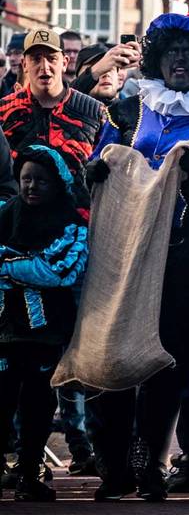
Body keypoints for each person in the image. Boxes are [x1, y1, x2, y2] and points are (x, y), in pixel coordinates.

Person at [83, 14, 189, 502]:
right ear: (158, 59)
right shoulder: (130, 110)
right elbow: (100, 161)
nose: (180, 60)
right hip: (122, 251)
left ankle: (146, 463)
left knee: (165, 363)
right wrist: (93, 171)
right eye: (172, 52)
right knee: (112, 353)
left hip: (180, 255)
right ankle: (114, 467)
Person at [0, 146, 89, 502]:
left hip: (46, 333)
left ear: (56, 184)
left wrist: (7, 264)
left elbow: (58, 270)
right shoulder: (7, 215)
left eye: (40, 180)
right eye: (26, 179)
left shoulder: (71, 223)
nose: (32, 187)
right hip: (5, 332)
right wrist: (22, 264)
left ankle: (29, 471)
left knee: (38, 404)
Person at [0, 29, 105, 169]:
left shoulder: (94, 112)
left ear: (64, 63)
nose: (44, 67)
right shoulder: (4, 110)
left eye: (52, 58)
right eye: (36, 59)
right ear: (24, 64)